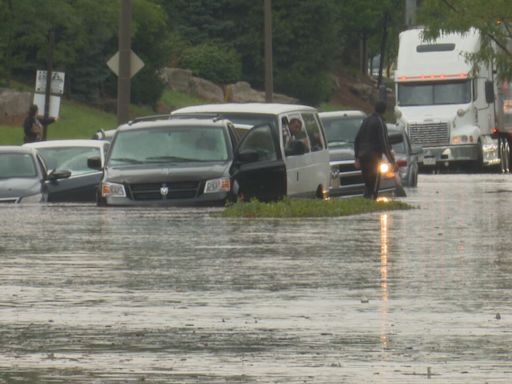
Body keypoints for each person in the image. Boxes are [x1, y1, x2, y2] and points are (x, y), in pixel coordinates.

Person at [354, 101, 396, 199]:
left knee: (368, 183)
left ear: (374, 108)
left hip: (362, 156)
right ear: (384, 111)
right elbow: (384, 143)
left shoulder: (366, 120)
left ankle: (367, 201)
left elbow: (357, 139)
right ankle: (372, 201)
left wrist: (356, 157)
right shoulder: (380, 122)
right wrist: (392, 161)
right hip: (373, 157)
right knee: (374, 184)